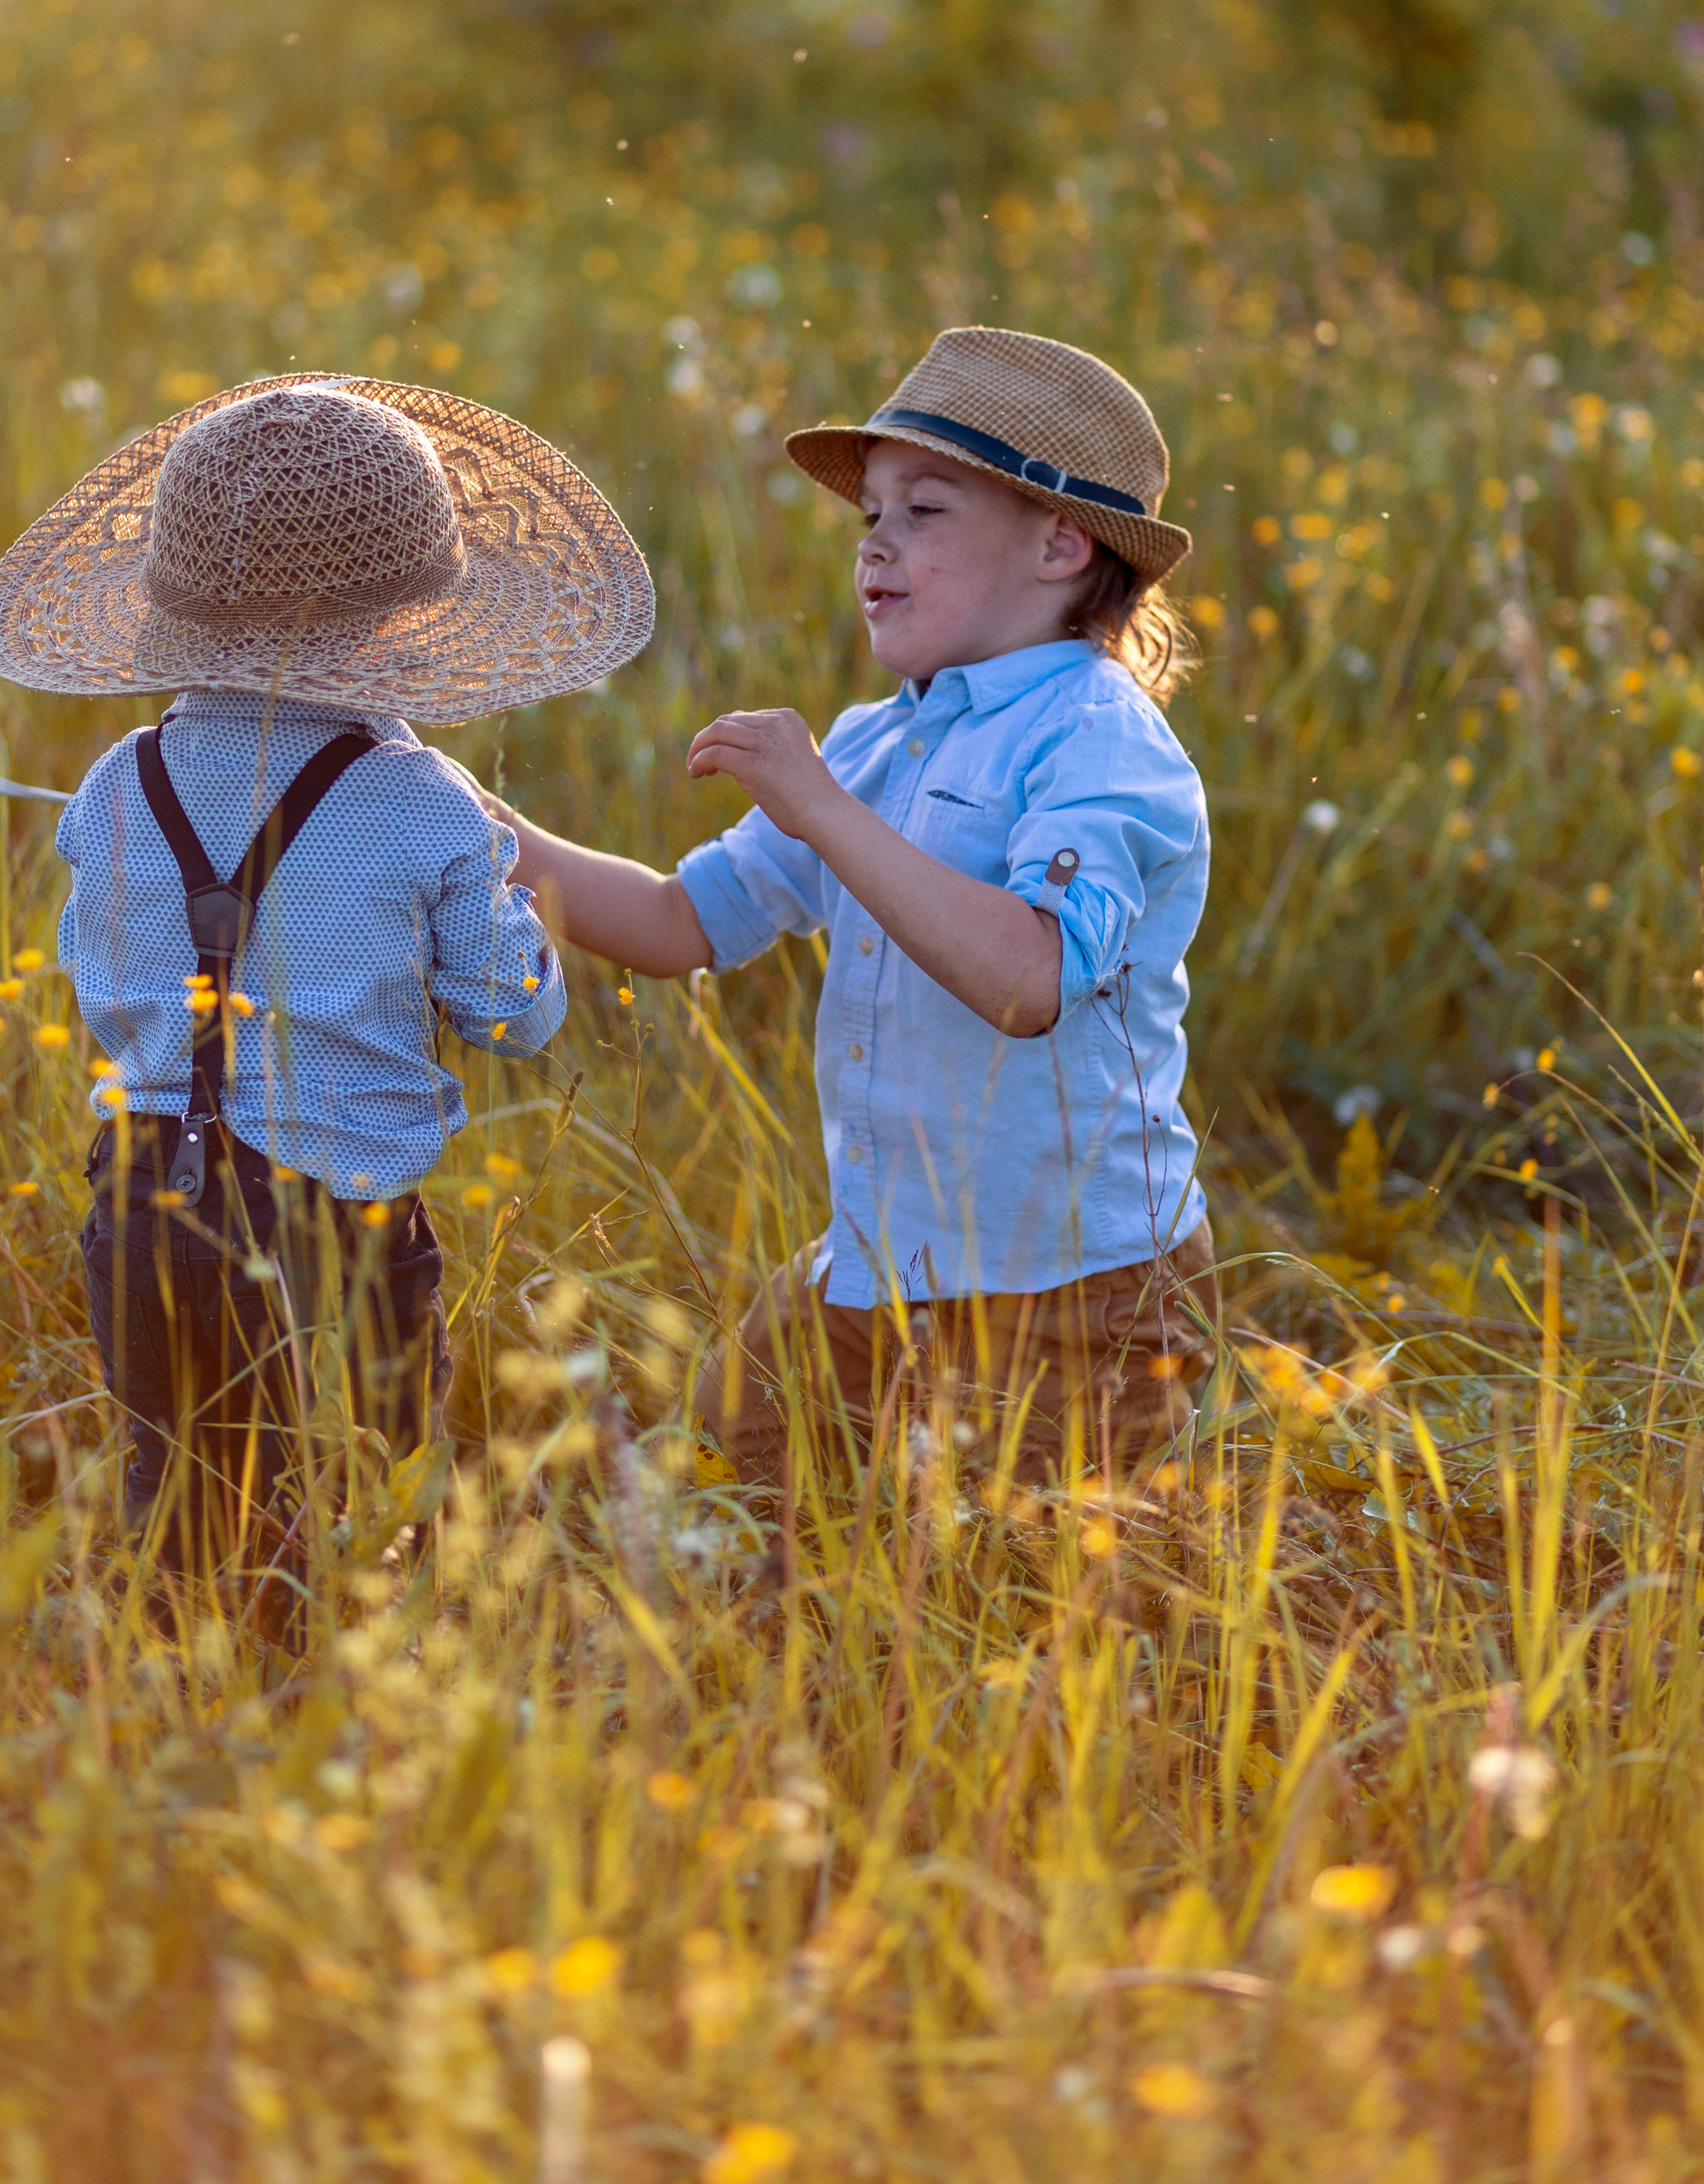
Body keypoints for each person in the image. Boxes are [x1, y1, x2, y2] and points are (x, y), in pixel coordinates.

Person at [498, 325, 1217, 1492]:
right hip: (885, 1268)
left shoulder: (1098, 737)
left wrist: (822, 809)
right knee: (728, 1489)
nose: (877, 543)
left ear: (1061, 545)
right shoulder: (876, 742)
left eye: (925, 512)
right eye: (870, 514)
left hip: (1078, 1291)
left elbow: (1030, 982)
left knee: (1011, 1601)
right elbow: (682, 922)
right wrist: (491, 835)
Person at [0, 373, 653, 1570]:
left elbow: (98, 981)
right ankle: (342, 1701)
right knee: (375, 1499)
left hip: (139, 1198)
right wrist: (500, 895)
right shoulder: (422, 803)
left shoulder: (115, 782)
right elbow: (519, 1019)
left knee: (178, 1497)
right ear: (409, 619)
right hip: (339, 1218)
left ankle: (193, 1700)